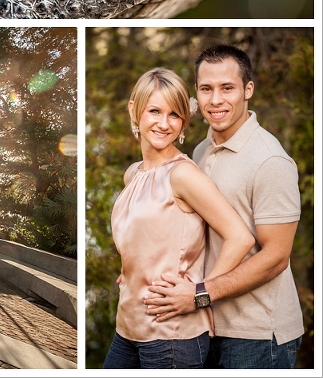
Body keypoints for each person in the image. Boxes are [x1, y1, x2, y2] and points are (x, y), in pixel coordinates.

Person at [144, 45, 304, 369]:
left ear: (248, 90)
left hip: (258, 335)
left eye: (227, 88)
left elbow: (276, 257)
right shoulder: (201, 151)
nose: (215, 100)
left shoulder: (270, 160)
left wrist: (200, 295)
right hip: (207, 326)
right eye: (206, 89)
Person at [103, 68, 254, 369]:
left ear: (184, 121)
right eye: (155, 111)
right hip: (127, 326)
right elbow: (146, 236)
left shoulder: (182, 174)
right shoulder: (133, 173)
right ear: (134, 110)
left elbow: (241, 237)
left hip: (172, 336)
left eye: (174, 114)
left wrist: (200, 294)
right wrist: (132, 269)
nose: (163, 123)